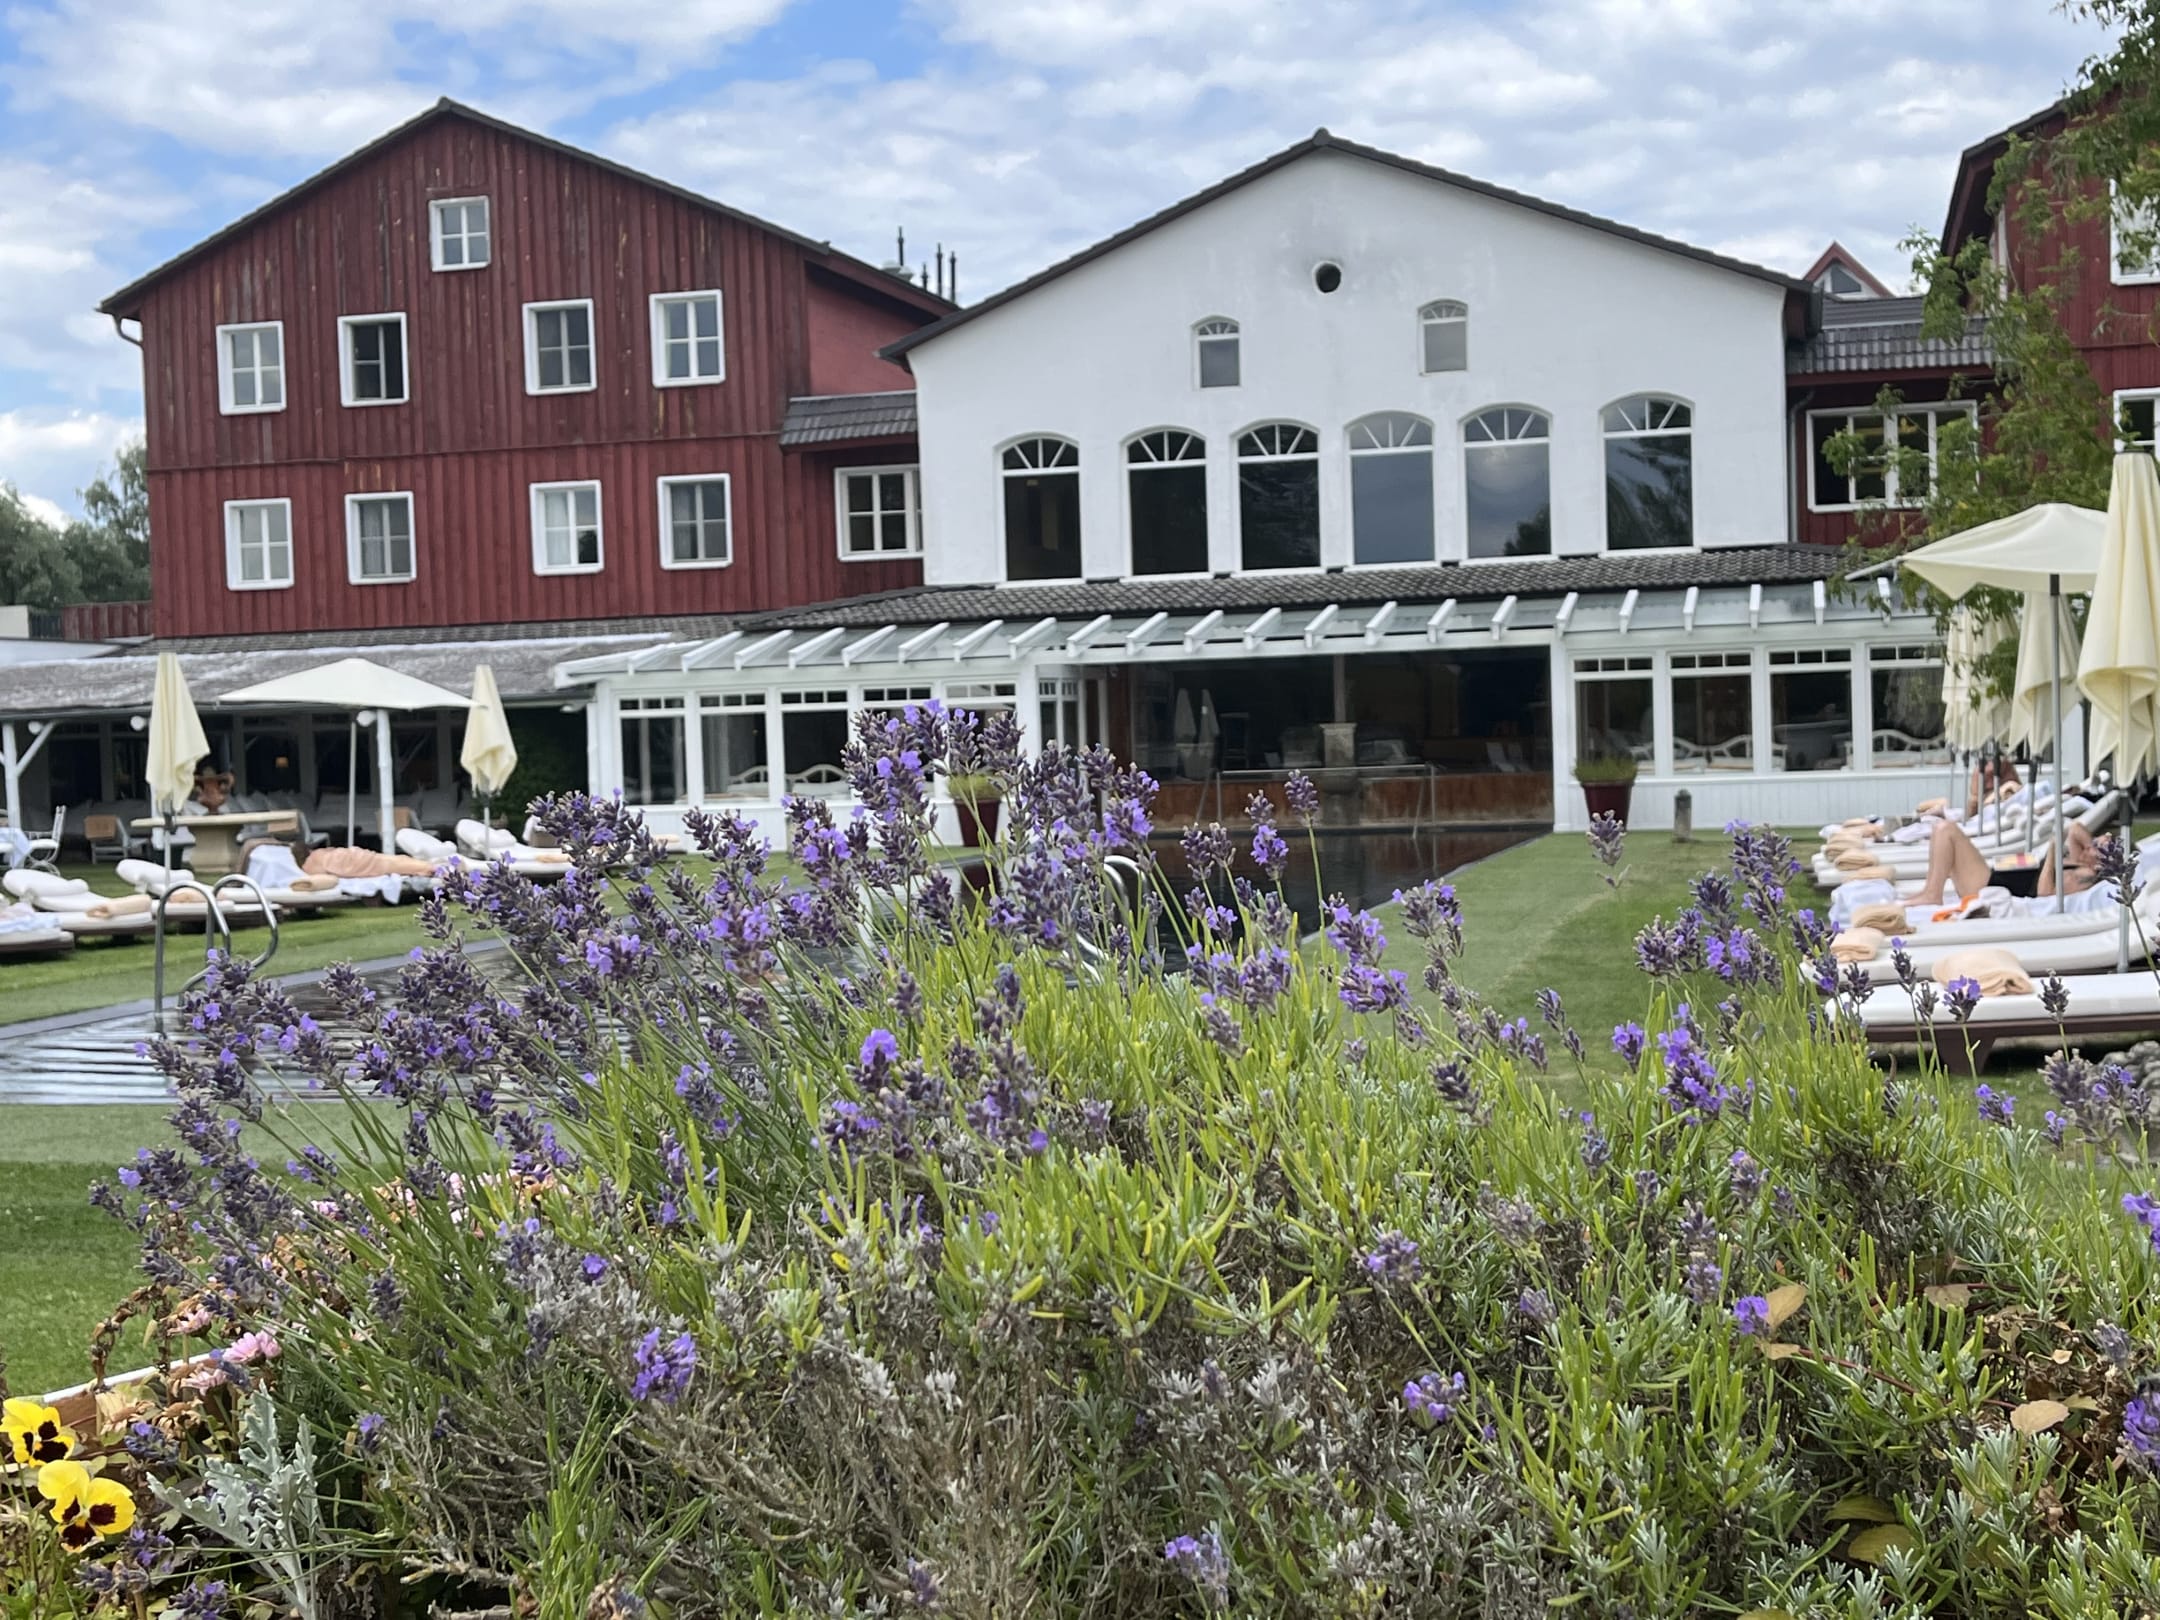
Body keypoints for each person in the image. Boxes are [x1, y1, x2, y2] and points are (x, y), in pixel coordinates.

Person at [1915, 816, 2101, 908]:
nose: (2087, 850)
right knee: (1941, 829)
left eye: (2101, 846)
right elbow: (2075, 828)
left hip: (1988, 886)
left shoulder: (2087, 874)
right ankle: (1930, 891)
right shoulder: (2080, 862)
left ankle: (1932, 894)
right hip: (1994, 875)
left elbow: (2045, 894)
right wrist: (2091, 845)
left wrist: (2053, 851)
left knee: (1946, 830)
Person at [1963, 754, 2020, 820]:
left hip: (2012, 806)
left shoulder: (2008, 765)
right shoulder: (1980, 771)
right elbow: (1974, 802)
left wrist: (2010, 786)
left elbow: (2019, 790)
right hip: (1989, 809)